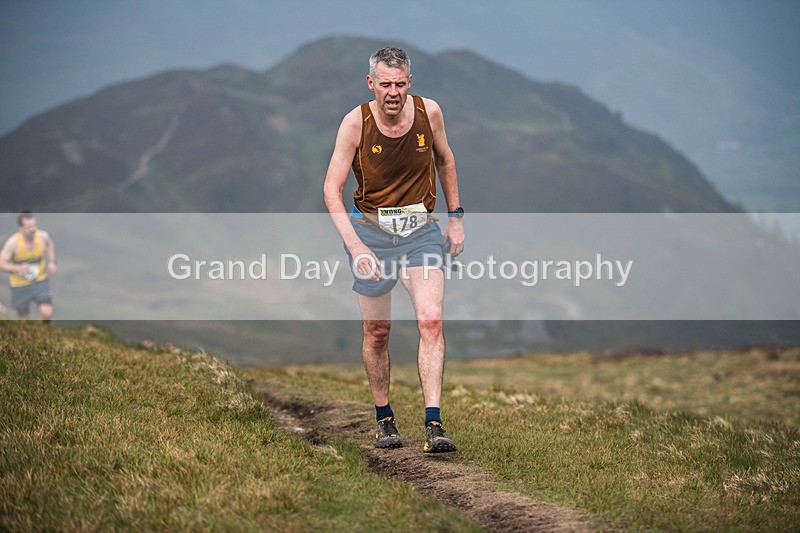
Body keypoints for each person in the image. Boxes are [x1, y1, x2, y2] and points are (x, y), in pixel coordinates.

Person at [323, 47, 465, 453]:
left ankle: (434, 424)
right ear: (371, 84)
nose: (393, 92)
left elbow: (446, 160)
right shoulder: (355, 123)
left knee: (432, 320)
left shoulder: (429, 113)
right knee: (378, 331)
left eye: (400, 84)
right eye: (385, 84)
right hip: (371, 234)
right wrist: (354, 245)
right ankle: (384, 418)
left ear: (410, 83)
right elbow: (331, 189)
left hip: (420, 231)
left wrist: (455, 217)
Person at [0, 211, 57, 323]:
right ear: (21, 228)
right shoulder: (13, 243)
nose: (33, 229)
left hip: (40, 280)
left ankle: (43, 335)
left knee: (47, 312)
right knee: (24, 319)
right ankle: (28, 337)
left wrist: (52, 261)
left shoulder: (42, 236)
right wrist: (18, 268)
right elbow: (1, 263)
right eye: (29, 227)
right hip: (20, 284)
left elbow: (50, 245)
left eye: (34, 225)